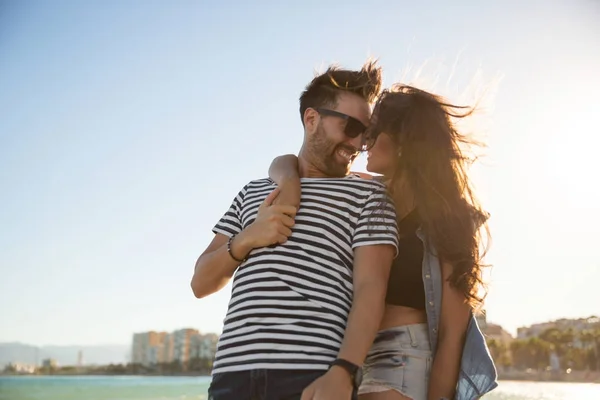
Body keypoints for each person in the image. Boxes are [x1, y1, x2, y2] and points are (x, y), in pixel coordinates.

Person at [269, 85, 498, 400]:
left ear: (404, 141)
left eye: (373, 132)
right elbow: (286, 163)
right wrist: (290, 184)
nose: (364, 142)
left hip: (404, 355)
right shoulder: (367, 195)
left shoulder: (450, 219)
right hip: (350, 358)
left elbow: (451, 335)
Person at [191, 61, 399, 400]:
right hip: (230, 376)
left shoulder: (369, 196)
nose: (359, 143)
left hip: (311, 378)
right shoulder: (253, 191)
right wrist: (247, 238)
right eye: (350, 127)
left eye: (366, 132)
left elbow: (370, 288)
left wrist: (344, 371)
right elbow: (200, 283)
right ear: (312, 119)